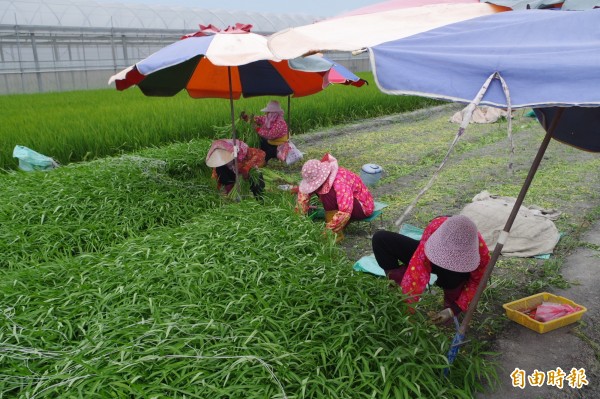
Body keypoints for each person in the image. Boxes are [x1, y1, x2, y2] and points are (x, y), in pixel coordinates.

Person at [371, 215, 490, 324]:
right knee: (380, 239)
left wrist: (454, 309)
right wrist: (406, 308)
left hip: (455, 273)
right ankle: (398, 290)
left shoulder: (480, 252)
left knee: (452, 275)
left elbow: (478, 282)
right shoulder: (435, 228)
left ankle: (450, 303)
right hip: (433, 256)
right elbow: (418, 268)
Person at [296, 153, 374, 241]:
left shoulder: (339, 182)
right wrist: (298, 218)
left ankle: (336, 234)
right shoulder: (323, 176)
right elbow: (304, 194)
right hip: (349, 204)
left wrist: (328, 231)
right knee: (322, 192)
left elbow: (345, 211)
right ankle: (334, 223)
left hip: (362, 207)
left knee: (327, 194)